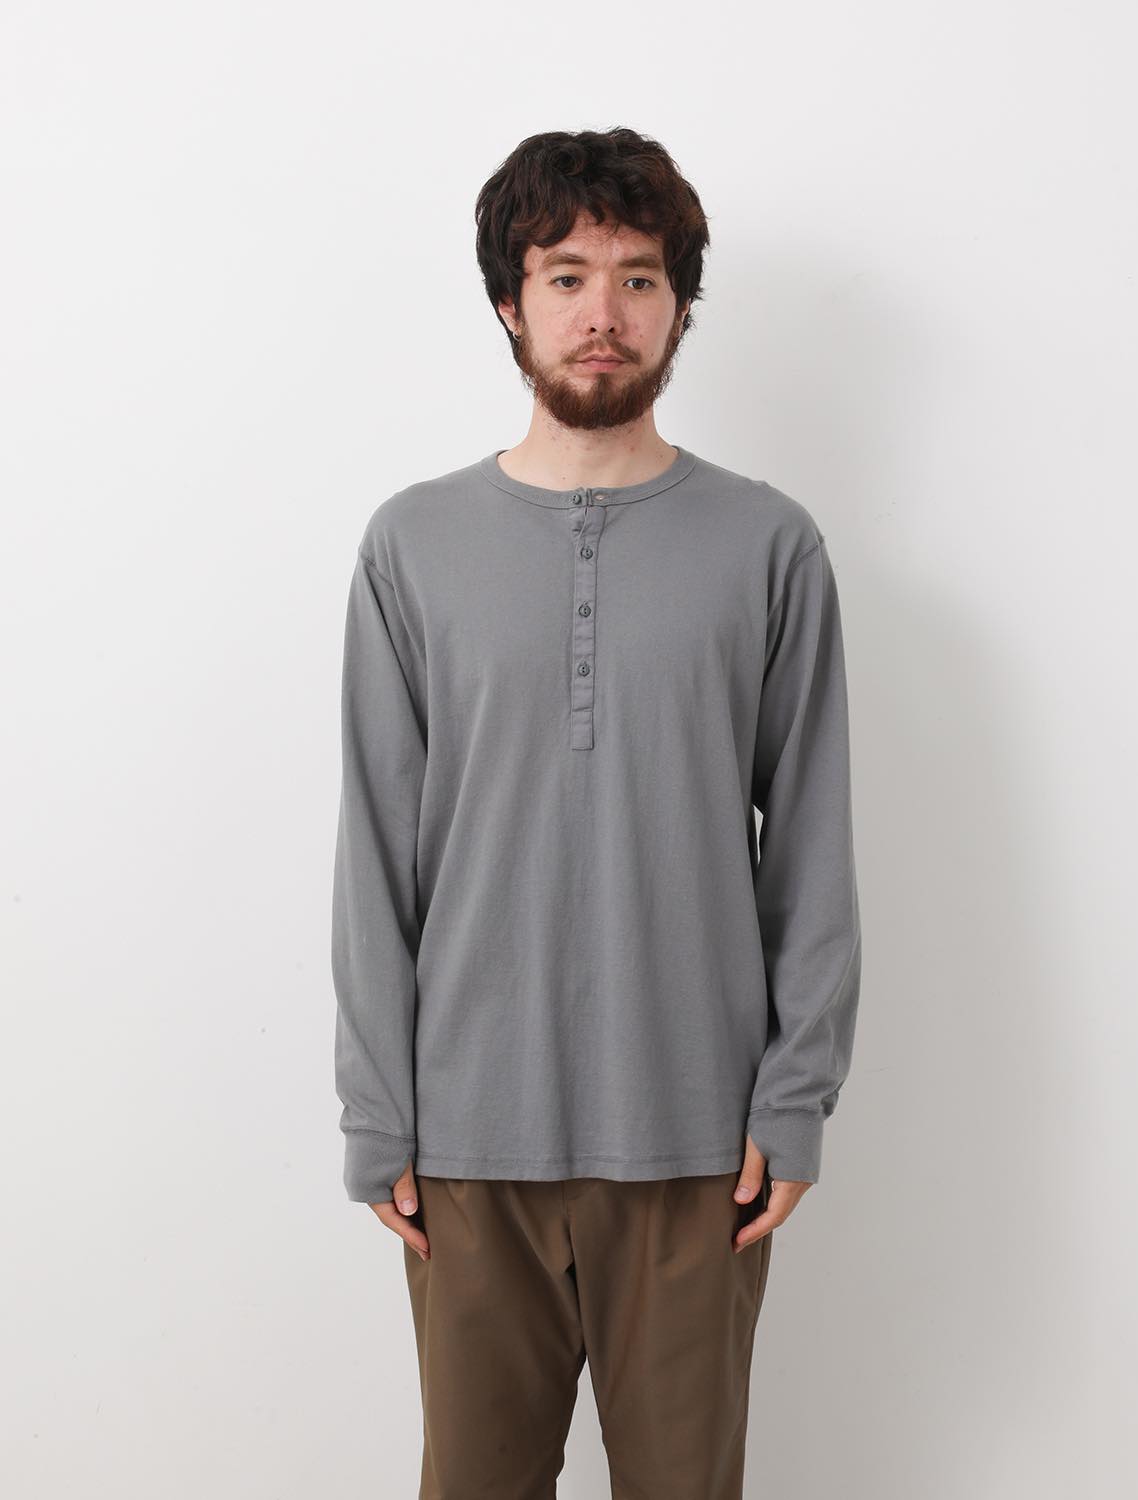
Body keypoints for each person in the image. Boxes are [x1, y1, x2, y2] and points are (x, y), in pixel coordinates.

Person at [331, 126, 863, 1499]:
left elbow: (811, 849)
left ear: (680, 305)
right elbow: (376, 851)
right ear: (510, 303)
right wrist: (377, 1111)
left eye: (638, 278)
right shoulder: (410, 546)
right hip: (464, 1147)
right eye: (565, 276)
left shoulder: (769, 546)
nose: (603, 313)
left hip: (700, 1148)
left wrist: (795, 1097)